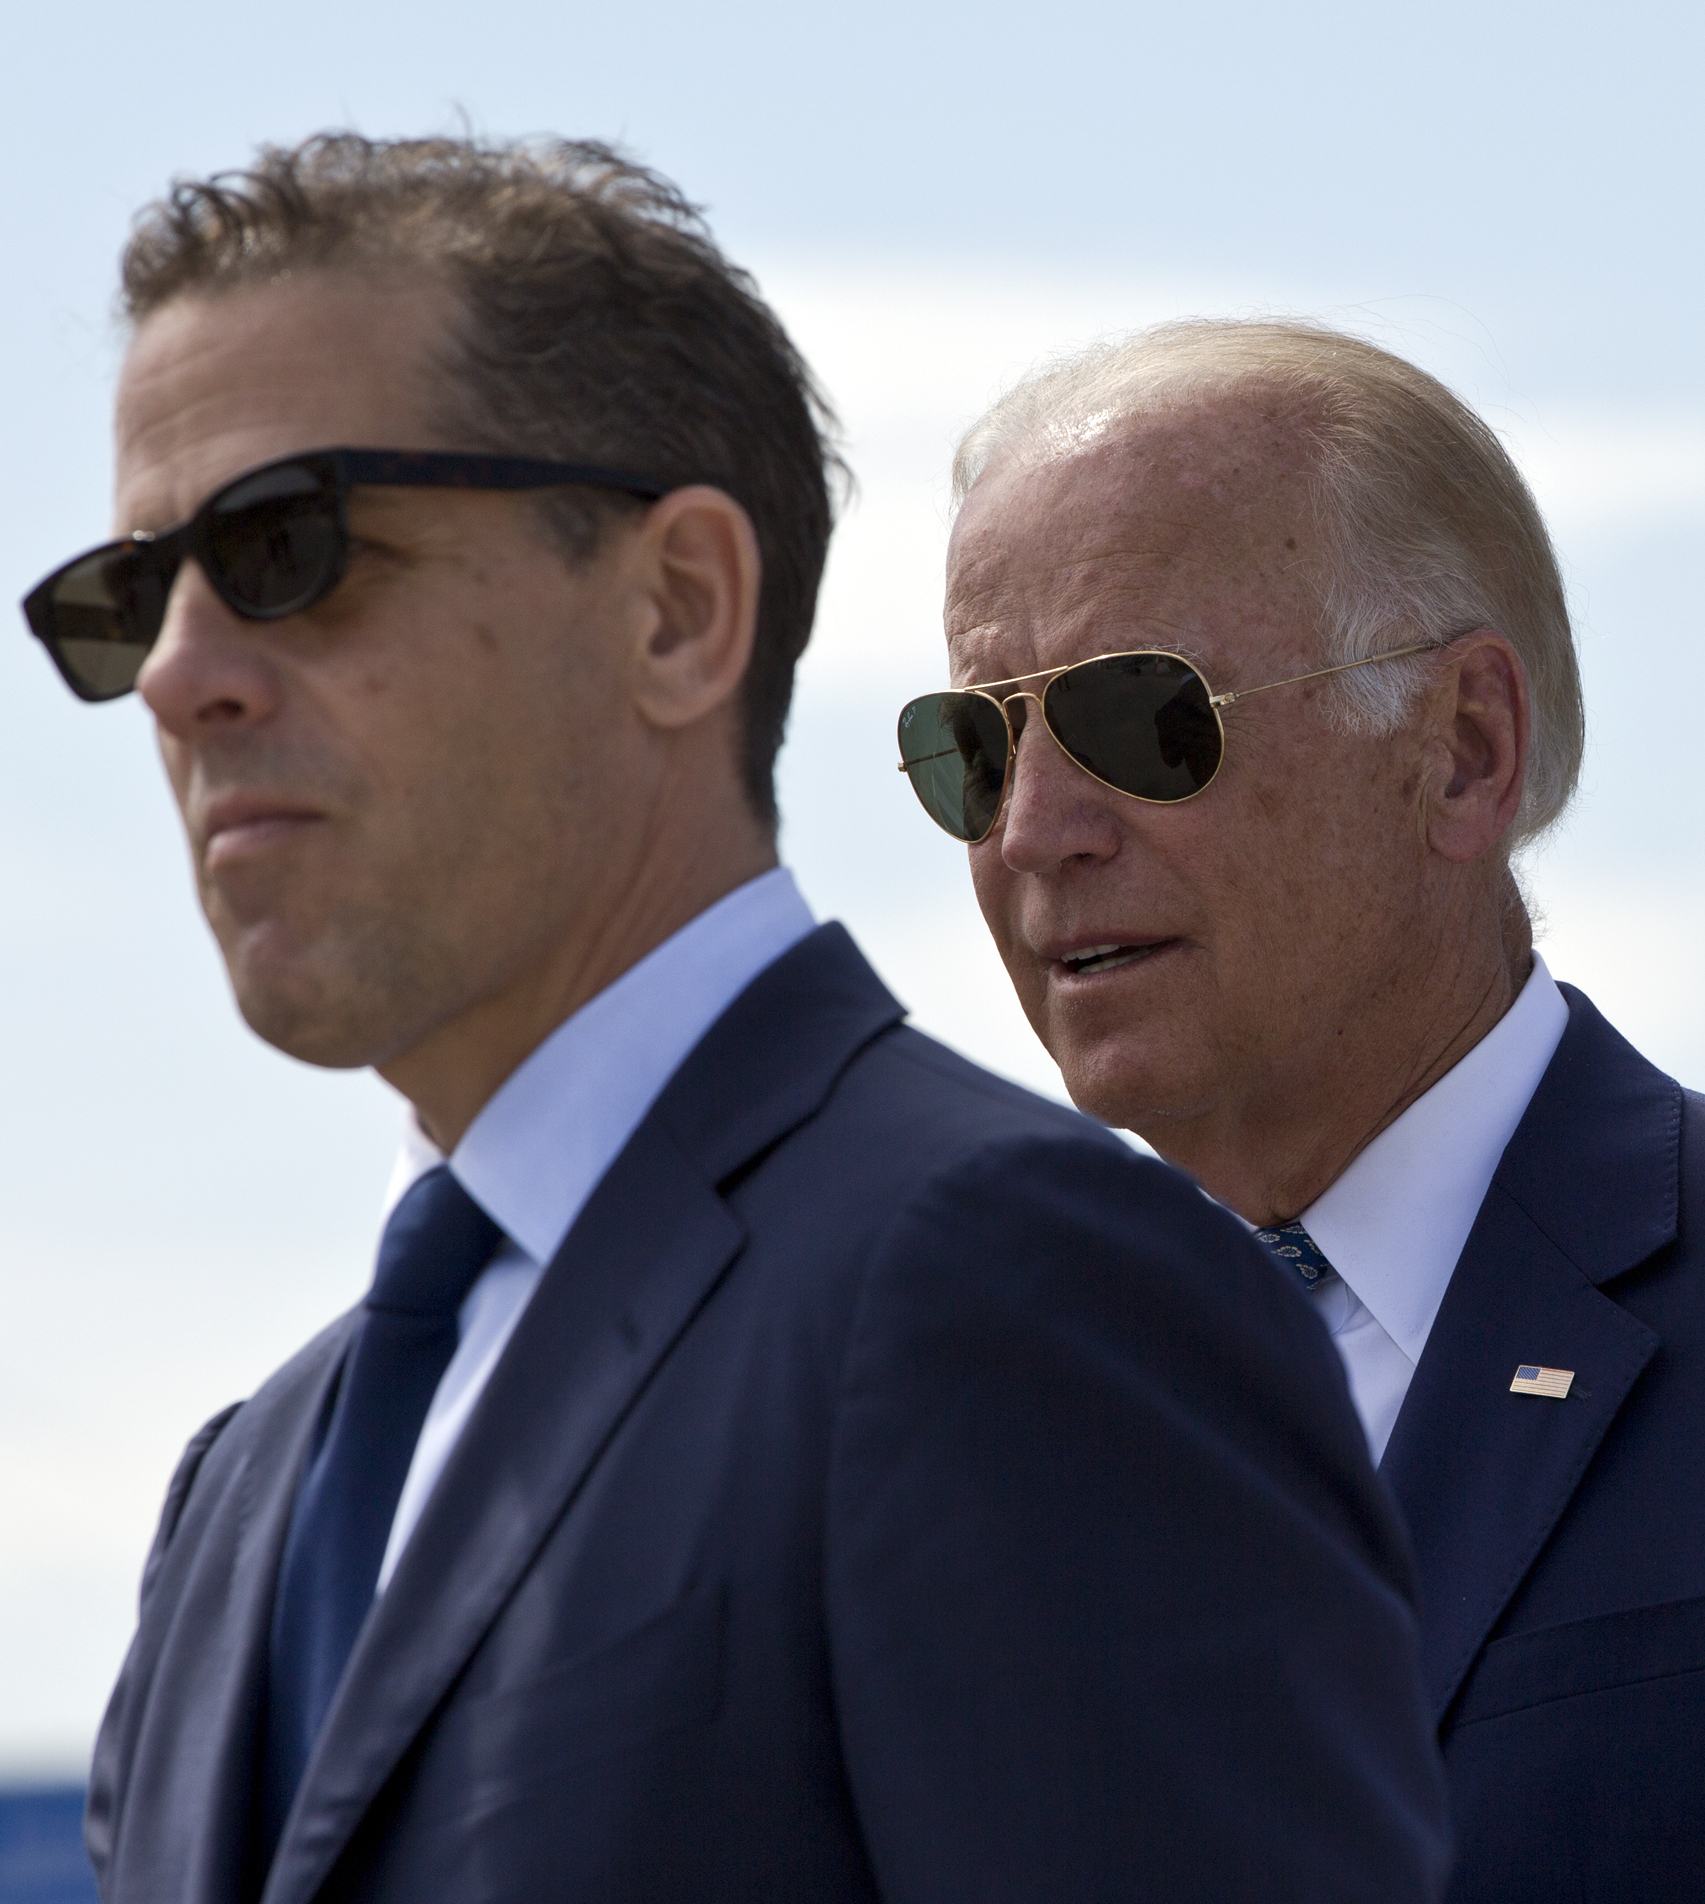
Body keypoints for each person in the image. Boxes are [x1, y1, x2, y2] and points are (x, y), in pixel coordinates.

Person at [30, 136, 1449, 1904]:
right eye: (125, 598)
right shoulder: (245, 1495)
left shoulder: (1013, 1291)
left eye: (285, 545)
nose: (176, 670)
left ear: (677, 611)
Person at [897, 317, 1705, 1903]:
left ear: (1466, 750)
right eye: (976, 746)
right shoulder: (971, 1430)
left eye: (1140, 719)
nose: (1035, 831)